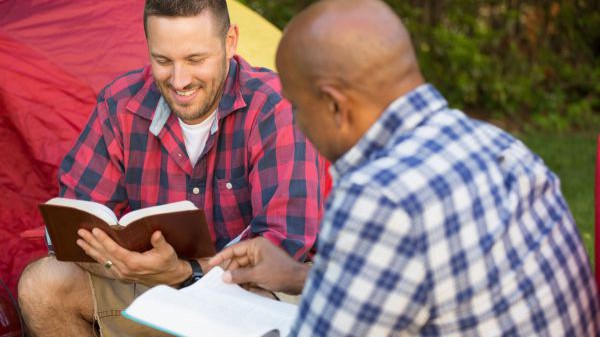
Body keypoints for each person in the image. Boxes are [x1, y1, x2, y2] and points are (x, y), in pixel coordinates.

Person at [210, 0, 600, 335]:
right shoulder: (500, 145)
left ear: (334, 105)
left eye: (296, 106)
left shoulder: (379, 195)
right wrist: (298, 275)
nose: (295, 122)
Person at [17, 0, 324, 336]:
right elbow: (73, 222)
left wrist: (184, 271)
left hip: (250, 288)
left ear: (230, 42)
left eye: (196, 59)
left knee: (253, 300)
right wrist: (118, 262)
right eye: (163, 60)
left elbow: (281, 247)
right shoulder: (120, 104)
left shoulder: (275, 108)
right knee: (42, 285)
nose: (179, 80)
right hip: (148, 282)